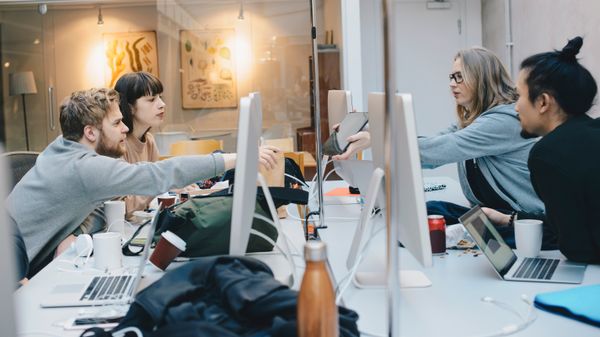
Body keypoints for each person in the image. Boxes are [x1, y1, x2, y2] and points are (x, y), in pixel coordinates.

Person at [6, 88, 278, 275]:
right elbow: (155, 176)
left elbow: (99, 207)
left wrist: (75, 234)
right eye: (116, 123)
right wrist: (236, 158)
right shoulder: (83, 167)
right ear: (90, 132)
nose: (125, 129)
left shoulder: (61, 149)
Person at [333, 47, 546, 244]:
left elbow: (440, 150)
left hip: (522, 220)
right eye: (451, 77)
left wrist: (378, 138)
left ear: (482, 79)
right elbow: (431, 146)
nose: (452, 83)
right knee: (428, 211)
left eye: (459, 77)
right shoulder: (476, 120)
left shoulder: (504, 121)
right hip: (490, 211)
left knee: (420, 225)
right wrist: (370, 130)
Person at [487, 37, 599, 263]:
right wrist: (508, 219)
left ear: (543, 102)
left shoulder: (548, 155)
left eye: (520, 96)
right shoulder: (591, 133)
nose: (515, 106)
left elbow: (578, 249)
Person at [114, 71, 165, 219]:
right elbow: (123, 205)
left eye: (160, 98)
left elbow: (157, 182)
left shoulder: (149, 141)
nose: (162, 104)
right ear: (130, 107)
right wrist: (164, 183)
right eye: (151, 99)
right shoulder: (117, 144)